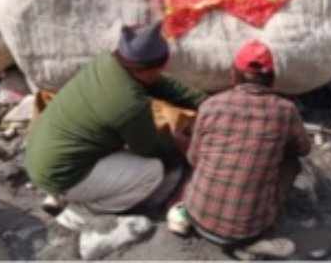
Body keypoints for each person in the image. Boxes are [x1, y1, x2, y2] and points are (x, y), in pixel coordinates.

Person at [24, 22, 206, 227]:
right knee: (153, 171)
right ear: (152, 68)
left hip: (41, 153)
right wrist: (181, 148)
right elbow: (150, 149)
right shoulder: (129, 104)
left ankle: (65, 192)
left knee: (118, 143)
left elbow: (160, 84)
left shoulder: (107, 62)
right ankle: (82, 211)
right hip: (62, 173)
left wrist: (204, 103)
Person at [170, 40, 309, 259]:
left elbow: (194, 160)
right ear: (271, 79)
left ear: (233, 75)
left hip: (198, 217)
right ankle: (262, 231)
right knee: (293, 161)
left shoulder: (210, 105)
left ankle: (188, 216)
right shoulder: (286, 110)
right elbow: (304, 149)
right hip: (249, 232)